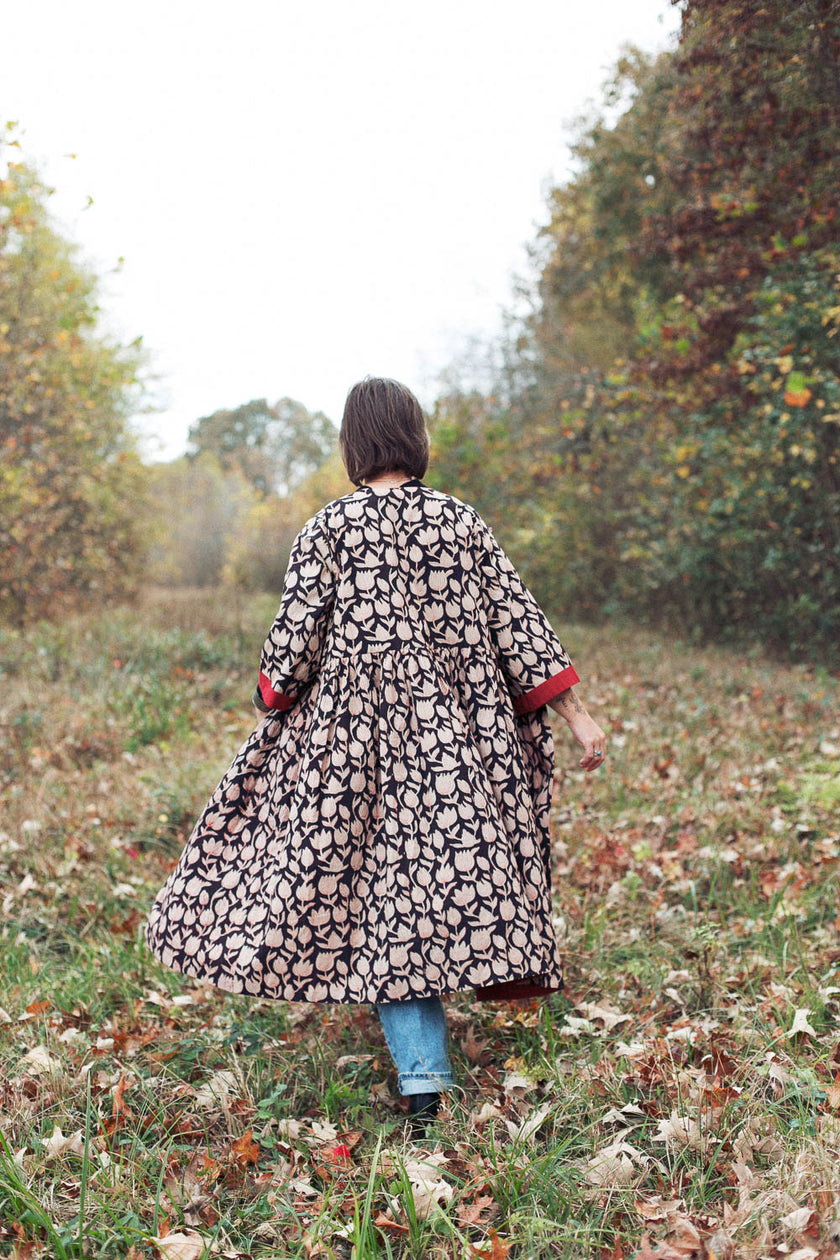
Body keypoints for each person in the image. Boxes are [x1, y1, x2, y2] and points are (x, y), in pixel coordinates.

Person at [144, 376, 607, 1139]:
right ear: (416, 438)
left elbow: (293, 645)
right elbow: (518, 624)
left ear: (354, 444)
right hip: (462, 739)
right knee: (447, 875)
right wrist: (578, 717)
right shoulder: (460, 523)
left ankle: (424, 1083)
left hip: (356, 748)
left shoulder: (330, 529)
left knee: (390, 897)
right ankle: (437, 1044)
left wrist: (275, 699)